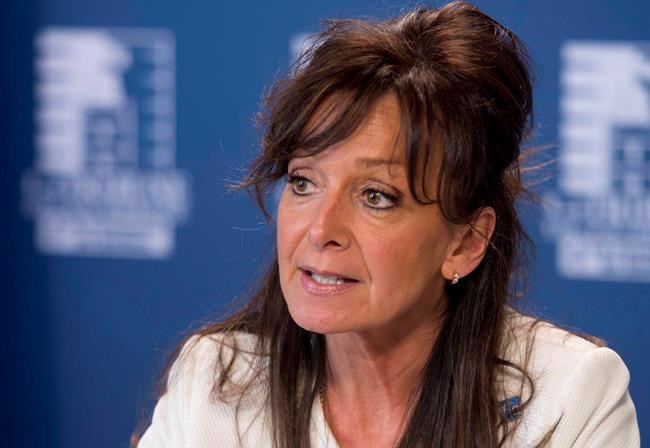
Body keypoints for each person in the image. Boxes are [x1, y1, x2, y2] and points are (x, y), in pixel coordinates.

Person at [134, 2, 640, 447]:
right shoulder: (213, 383)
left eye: (376, 196)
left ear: (466, 242)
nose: (320, 230)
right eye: (303, 182)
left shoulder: (569, 395)